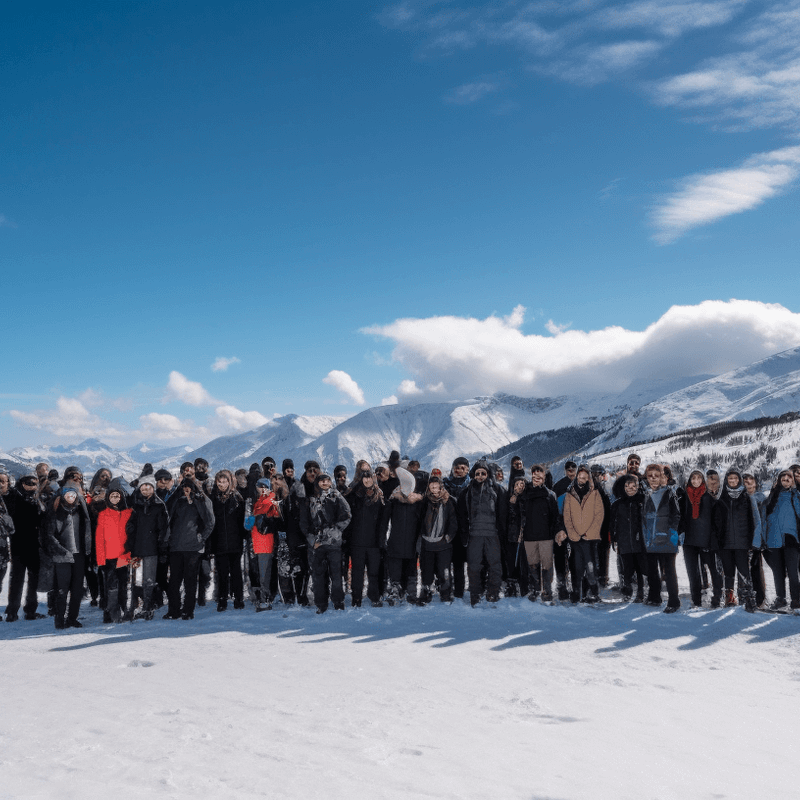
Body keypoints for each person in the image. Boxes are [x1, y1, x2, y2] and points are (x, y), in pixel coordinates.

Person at [456, 461, 507, 606]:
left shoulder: (497, 490)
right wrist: (464, 534)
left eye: (483, 473)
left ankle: (493, 593)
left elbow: (503, 514)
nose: (480, 476)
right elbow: (461, 515)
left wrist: (502, 533)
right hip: (474, 535)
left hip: (493, 534)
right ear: (473, 475)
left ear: (488, 474)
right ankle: (475, 595)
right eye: (477, 473)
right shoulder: (466, 492)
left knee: (495, 566)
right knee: (473, 566)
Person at [163, 477, 214, 620]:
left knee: (190, 581)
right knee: (174, 581)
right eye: (184, 486)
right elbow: (167, 520)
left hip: (192, 547)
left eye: (189, 486)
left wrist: (201, 538)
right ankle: (174, 610)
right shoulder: (175, 501)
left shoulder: (201, 501)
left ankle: (188, 611)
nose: (186, 489)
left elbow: (210, 522)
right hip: (175, 547)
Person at [42, 482, 90, 629]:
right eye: (68, 495)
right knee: (62, 590)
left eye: (73, 495)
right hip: (62, 556)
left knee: (77, 590)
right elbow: (49, 536)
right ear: (62, 496)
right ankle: (59, 618)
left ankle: (72, 618)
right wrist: (61, 550)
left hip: (79, 555)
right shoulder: (55, 512)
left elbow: (87, 531)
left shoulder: (80, 512)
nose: (70, 497)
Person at [514, 465, 562, 603]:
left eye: (540, 477)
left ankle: (547, 591)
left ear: (544, 478)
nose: (536, 479)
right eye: (534, 477)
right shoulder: (525, 493)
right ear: (531, 476)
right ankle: (535, 589)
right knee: (532, 565)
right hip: (529, 536)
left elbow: (555, 517)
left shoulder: (550, 495)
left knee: (546, 565)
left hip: (546, 537)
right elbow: (517, 512)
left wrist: (557, 532)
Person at [125, 475, 169, 619]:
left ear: (153, 488)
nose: (146, 490)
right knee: (136, 579)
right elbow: (131, 523)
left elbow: (164, 528)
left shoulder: (159, 505)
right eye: (143, 487)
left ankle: (148, 605)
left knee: (149, 579)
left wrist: (162, 545)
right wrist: (130, 530)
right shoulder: (135, 504)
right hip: (137, 547)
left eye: (149, 487)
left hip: (152, 548)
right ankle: (134, 605)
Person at [679, 470, 723, 609]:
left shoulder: (709, 498)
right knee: (693, 573)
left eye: (698, 478)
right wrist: (680, 533)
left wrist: (713, 541)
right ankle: (696, 601)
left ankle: (717, 599)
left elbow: (716, 522)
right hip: (689, 541)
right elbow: (679, 517)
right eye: (693, 478)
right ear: (689, 480)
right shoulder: (684, 497)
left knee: (713, 570)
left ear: (702, 480)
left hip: (706, 541)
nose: (696, 481)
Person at [4, 475, 45, 621]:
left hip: (34, 546)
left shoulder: (37, 499)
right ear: (22, 484)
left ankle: (30, 610)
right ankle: (12, 611)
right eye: (29, 483)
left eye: (35, 483)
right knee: (17, 579)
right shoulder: (15, 497)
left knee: (33, 581)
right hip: (19, 546)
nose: (32, 486)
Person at [308, 473, 351, 613]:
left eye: (327, 481)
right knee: (319, 576)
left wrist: (337, 530)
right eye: (322, 481)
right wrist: (311, 538)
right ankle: (321, 604)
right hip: (318, 543)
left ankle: (338, 601)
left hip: (334, 542)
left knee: (336, 574)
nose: (324, 483)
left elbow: (347, 514)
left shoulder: (336, 496)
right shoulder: (312, 498)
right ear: (317, 483)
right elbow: (306, 520)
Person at [345, 468, 388, 607]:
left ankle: (374, 596)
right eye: (365, 477)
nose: (367, 480)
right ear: (361, 479)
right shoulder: (354, 496)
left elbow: (383, 522)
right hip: (357, 542)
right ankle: (356, 597)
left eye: (369, 477)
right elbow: (348, 518)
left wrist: (381, 540)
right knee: (357, 572)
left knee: (373, 572)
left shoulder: (379, 497)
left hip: (374, 542)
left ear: (373, 479)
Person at [641, 463, 681, 612]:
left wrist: (671, 533)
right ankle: (654, 597)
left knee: (669, 571)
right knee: (652, 570)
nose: (653, 479)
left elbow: (676, 515)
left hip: (666, 538)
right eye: (650, 476)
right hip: (650, 539)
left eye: (656, 476)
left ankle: (673, 601)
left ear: (662, 477)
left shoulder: (669, 493)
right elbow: (643, 518)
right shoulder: (645, 494)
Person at [560, 465, 603, 603]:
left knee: (590, 566)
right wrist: (573, 533)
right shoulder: (570, 494)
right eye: (580, 476)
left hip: (589, 537)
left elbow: (599, 515)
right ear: (577, 476)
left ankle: (593, 591)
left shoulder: (594, 493)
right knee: (577, 566)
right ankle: (577, 592)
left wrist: (588, 533)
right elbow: (567, 517)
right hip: (575, 538)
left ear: (588, 478)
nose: (582, 479)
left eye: (585, 477)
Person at [92, 479, 132, 623]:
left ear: (121, 497)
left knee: (123, 585)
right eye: (112, 496)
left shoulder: (127, 513)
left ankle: (123, 609)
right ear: (108, 497)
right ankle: (110, 613)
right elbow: (99, 539)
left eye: (117, 496)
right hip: (109, 557)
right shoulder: (103, 514)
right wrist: (100, 560)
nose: (115, 498)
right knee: (111, 587)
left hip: (123, 556)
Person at [716, 469, 756, 611]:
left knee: (744, 571)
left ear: (739, 480)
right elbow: (717, 522)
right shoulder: (722, 498)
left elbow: (752, 521)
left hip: (742, 542)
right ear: (726, 480)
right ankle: (729, 597)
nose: (732, 481)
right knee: (728, 572)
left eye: (735, 478)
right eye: (730, 478)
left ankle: (748, 598)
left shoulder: (746, 497)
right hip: (725, 543)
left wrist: (751, 541)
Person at [760, 471, 800, 611]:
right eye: (783, 478)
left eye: (789, 478)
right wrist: (763, 540)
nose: (786, 479)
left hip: (791, 539)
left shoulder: (796, 496)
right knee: (778, 572)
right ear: (778, 480)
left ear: (792, 481)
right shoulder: (770, 498)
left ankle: (796, 600)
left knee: (793, 571)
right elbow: (764, 520)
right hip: (773, 539)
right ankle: (780, 599)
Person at [208, 470, 246, 612]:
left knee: (236, 572)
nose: (222, 484)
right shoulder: (213, 498)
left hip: (235, 541)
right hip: (219, 542)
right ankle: (222, 599)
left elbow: (242, 520)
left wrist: (242, 536)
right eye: (219, 482)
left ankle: (238, 598)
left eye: (225, 482)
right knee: (222, 572)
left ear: (230, 482)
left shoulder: (237, 497)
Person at [383, 473, 424, 605]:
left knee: (411, 568)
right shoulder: (394, 501)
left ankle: (410, 592)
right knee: (395, 567)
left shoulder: (418, 503)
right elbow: (384, 520)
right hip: (395, 540)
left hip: (412, 541)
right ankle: (395, 591)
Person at [417, 475, 457, 603]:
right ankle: (426, 593)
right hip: (427, 543)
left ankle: (445, 593)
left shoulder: (448, 501)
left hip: (443, 544)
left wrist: (449, 537)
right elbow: (418, 519)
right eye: (432, 486)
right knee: (426, 572)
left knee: (443, 571)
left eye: (436, 486)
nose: (434, 489)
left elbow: (453, 521)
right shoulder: (424, 501)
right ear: (429, 487)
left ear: (441, 487)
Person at [610, 475, 649, 602]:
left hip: (639, 541)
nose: (630, 489)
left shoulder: (643, 500)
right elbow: (613, 523)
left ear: (638, 487)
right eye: (627, 486)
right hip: (624, 541)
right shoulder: (618, 504)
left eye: (633, 486)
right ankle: (627, 591)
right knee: (627, 568)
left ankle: (641, 592)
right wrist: (614, 538)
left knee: (639, 568)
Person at [444, 457, 471, 599]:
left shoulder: (470, 486)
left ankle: (459, 592)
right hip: (446, 528)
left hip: (463, 530)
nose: (458, 470)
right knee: (445, 562)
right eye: (456, 467)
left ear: (467, 470)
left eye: (462, 468)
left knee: (459, 563)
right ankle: (445, 590)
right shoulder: (444, 484)